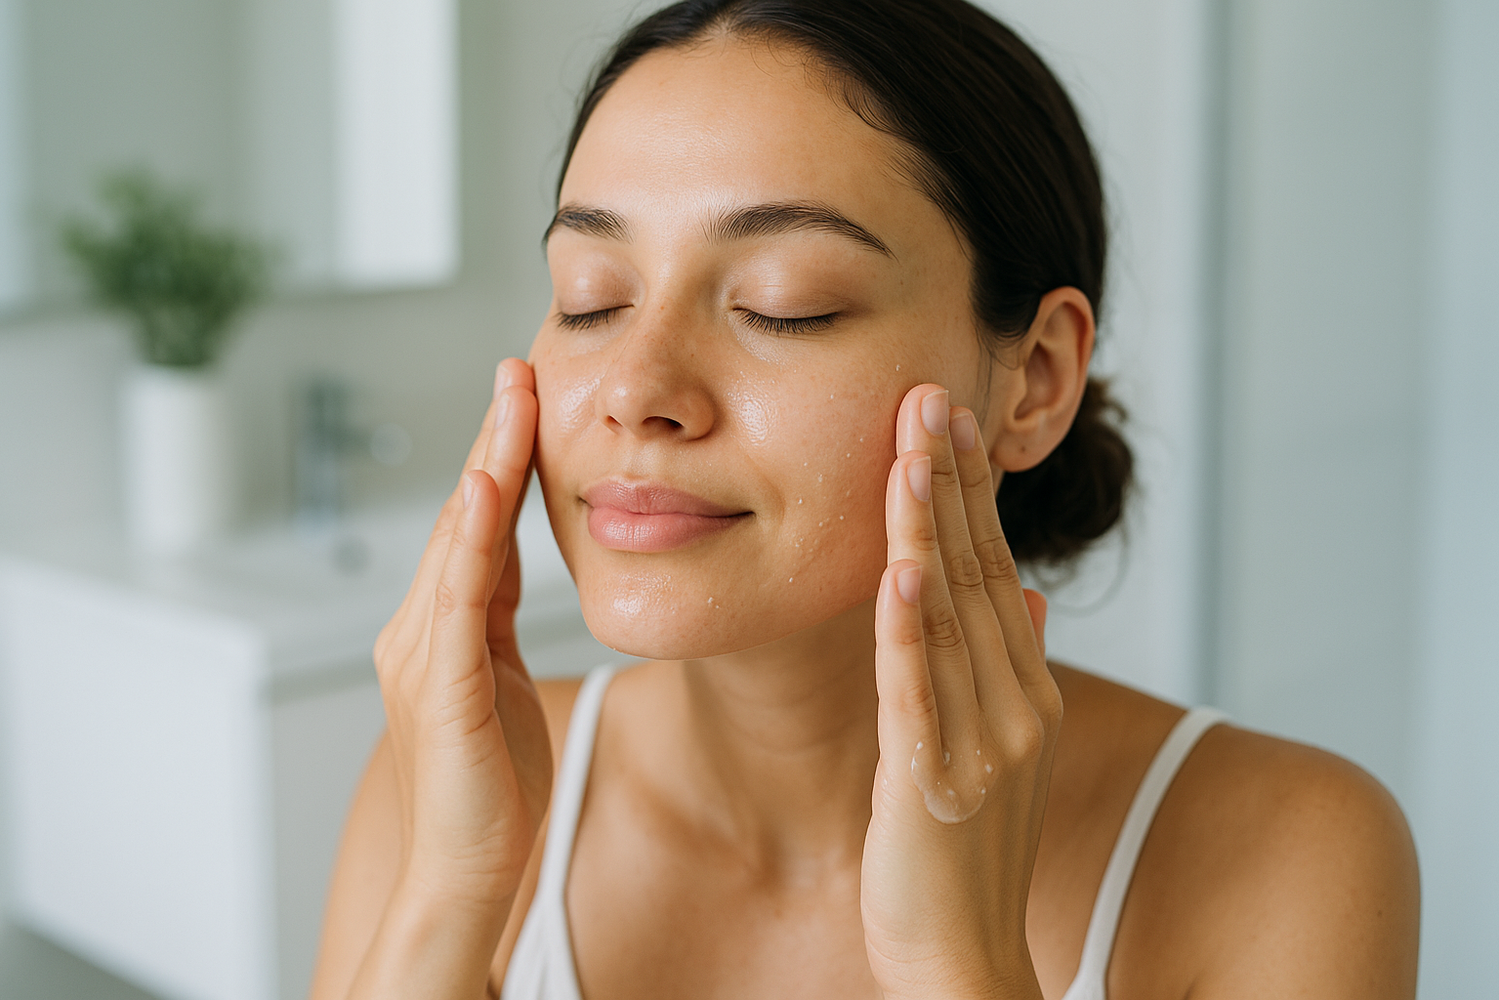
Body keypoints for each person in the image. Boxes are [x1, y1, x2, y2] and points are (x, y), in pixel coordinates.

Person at [309, 1, 1420, 997]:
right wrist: (448, 902)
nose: (638, 392)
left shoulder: (1292, 854)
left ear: (1032, 381)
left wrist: (960, 968)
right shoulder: (459, 778)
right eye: (590, 298)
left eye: (785, 305)